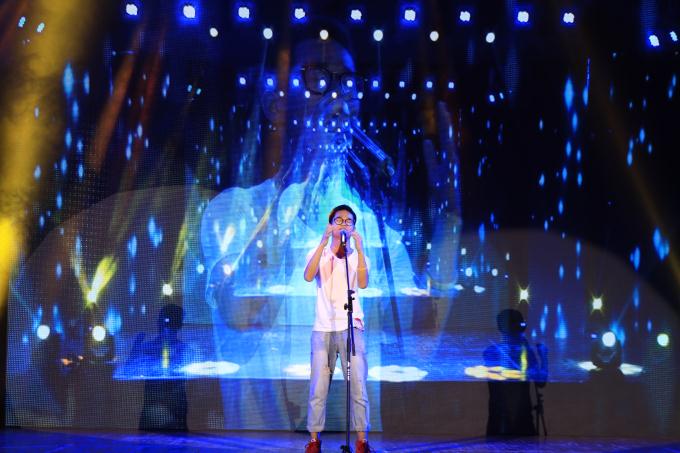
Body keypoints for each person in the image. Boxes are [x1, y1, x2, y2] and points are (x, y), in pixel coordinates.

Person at [303, 204, 373, 453]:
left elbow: (363, 283)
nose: (343, 224)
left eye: (348, 221)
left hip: (351, 328)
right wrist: (323, 242)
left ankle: (362, 441)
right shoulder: (319, 253)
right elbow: (308, 276)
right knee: (318, 389)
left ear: (353, 227)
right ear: (330, 224)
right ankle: (314, 440)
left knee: (358, 387)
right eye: (338, 220)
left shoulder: (357, 257)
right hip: (323, 328)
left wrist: (360, 250)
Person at [483, 309, 548, 436]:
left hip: (500, 421)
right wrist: (543, 357)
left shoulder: (490, 351)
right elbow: (541, 382)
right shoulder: (525, 352)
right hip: (519, 421)